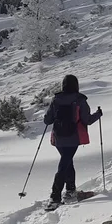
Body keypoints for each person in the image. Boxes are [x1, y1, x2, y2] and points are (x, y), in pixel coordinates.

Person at [43, 74, 102, 211]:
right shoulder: (79, 99)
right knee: (64, 165)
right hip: (73, 138)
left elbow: (47, 120)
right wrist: (98, 114)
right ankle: (55, 197)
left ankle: (70, 191)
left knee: (67, 162)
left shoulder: (56, 99)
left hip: (58, 138)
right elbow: (86, 120)